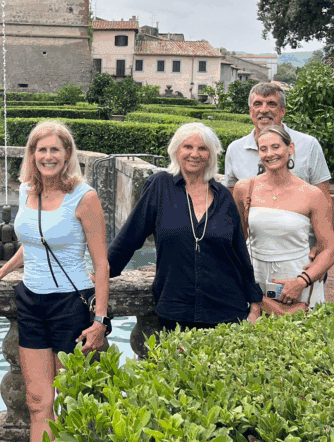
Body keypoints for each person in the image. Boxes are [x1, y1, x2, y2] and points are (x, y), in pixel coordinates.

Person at [0, 121, 110, 442]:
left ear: (68, 154)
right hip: (31, 301)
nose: (47, 157)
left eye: (55, 150)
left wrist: (99, 321)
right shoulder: (29, 192)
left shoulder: (84, 197)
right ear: (31, 155)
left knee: (71, 403)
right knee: (37, 402)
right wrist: (0, 272)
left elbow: (101, 264)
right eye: (40, 150)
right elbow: (31, 244)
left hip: (70, 306)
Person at [108, 122, 263, 330]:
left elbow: (239, 252)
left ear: (211, 155)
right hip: (175, 307)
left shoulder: (224, 196)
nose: (194, 154)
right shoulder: (160, 186)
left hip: (226, 309)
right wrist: (103, 272)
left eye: (202, 148)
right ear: (176, 151)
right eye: (187, 147)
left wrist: (254, 302)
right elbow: (130, 237)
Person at [232, 125, 334, 307]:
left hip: (296, 279)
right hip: (256, 280)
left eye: (275, 147)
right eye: (263, 149)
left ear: (290, 148)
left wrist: (302, 281)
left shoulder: (312, 194)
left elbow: (330, 250)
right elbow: (238, 239)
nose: (270, 153)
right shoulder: (244, 189)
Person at [223, 82, 331, 195]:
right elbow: (232, 199)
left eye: (271, 104)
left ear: (282, 111)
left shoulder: (308, 145)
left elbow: (323, 197)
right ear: (251, 111)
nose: (264, 110)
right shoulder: (235, 149)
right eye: (258, 104)